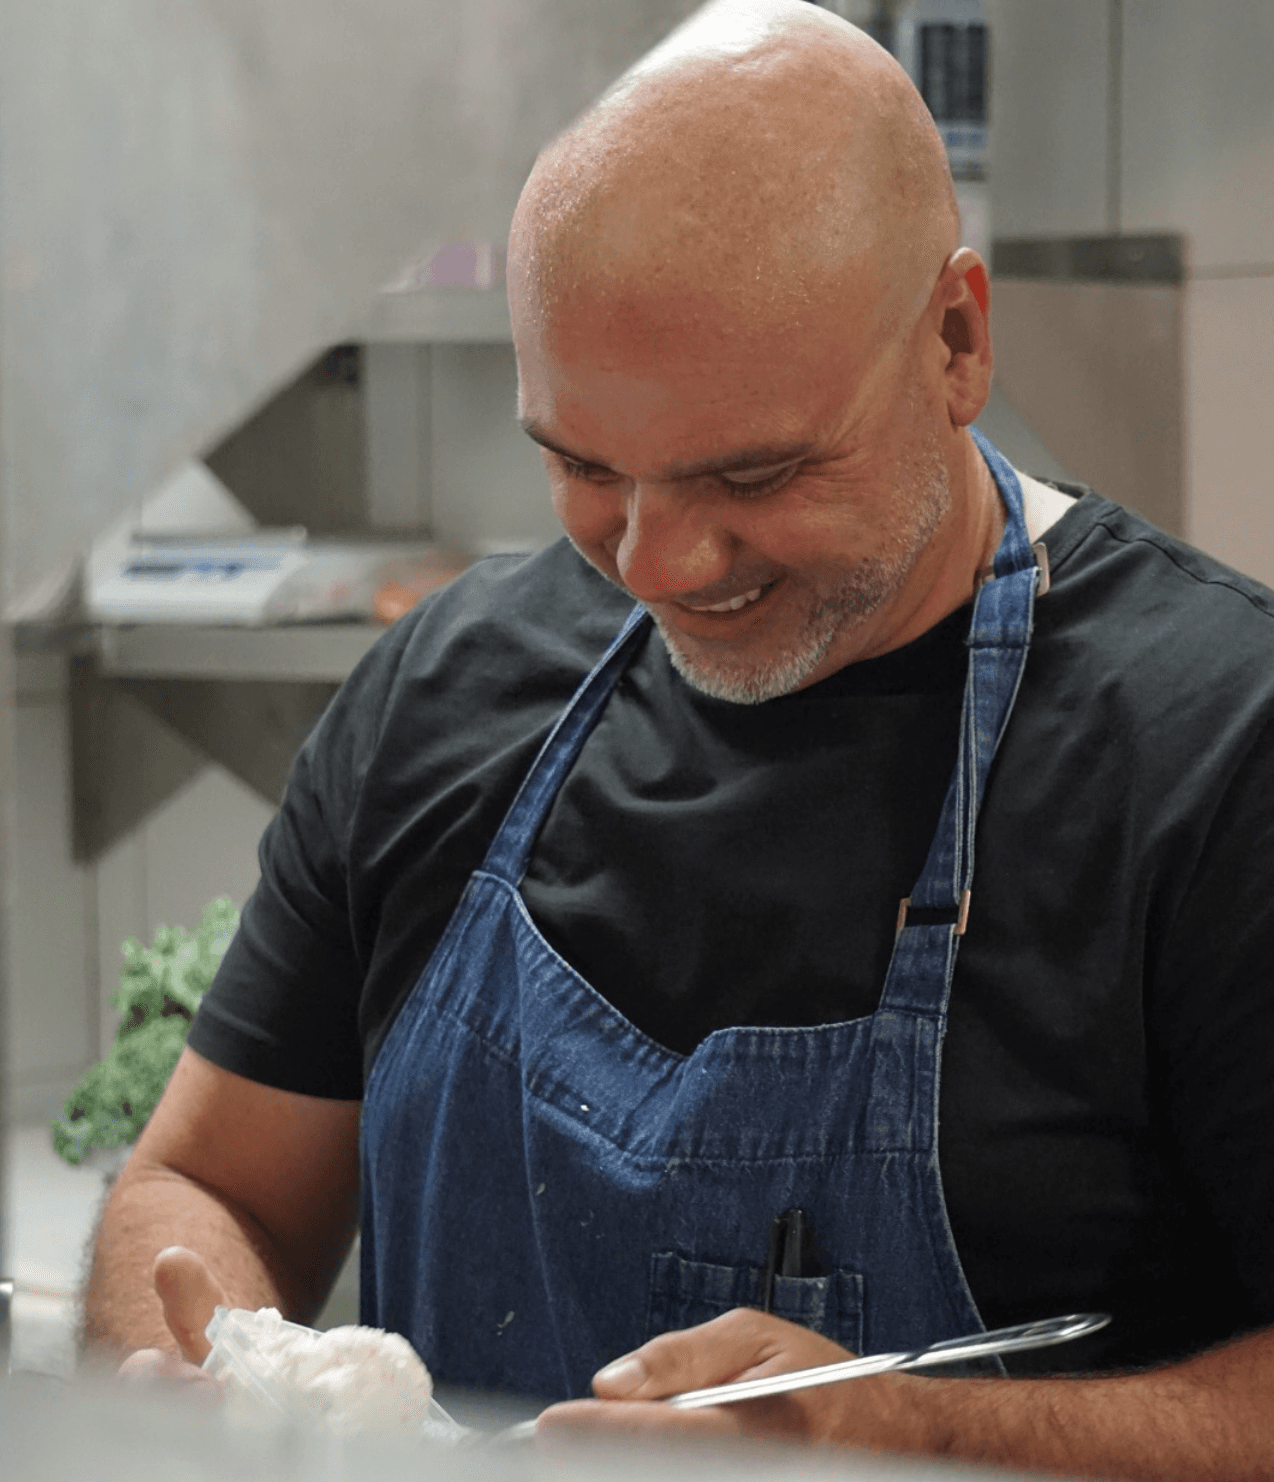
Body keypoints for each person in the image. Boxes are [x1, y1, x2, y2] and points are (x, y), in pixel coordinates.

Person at [84, 2, 1274, 1475]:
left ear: (955, 340)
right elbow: (208, 1182)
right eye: (581, 463)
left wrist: (921, 1431)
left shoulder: (1220, 749)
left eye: (753, 470)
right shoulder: (443, 689)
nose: (653, 564)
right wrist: (199, 1372)